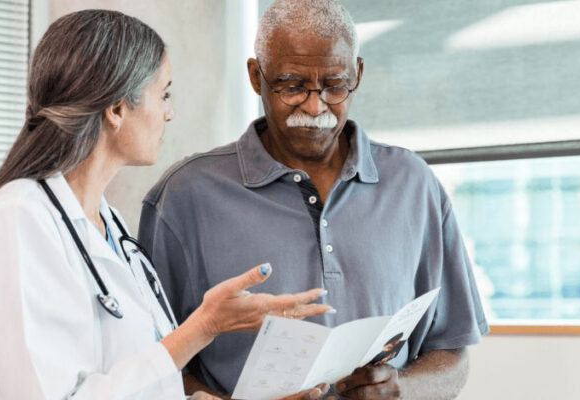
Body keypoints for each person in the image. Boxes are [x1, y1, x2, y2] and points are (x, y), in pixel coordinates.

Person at [0, 10, 335, 400]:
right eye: (164, 94)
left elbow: (133, 384)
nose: (170, 113)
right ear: (117, 109)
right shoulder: (18, 219)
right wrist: (205, 326)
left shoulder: (109, 225)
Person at [139, 1, 489, 398]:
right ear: (257, 76)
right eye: (291, 85)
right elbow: (150, 366)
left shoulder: (415, 185)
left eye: (335, 85)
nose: (314, 105)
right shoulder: (185, 197)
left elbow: (452, 352)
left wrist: (403, 390)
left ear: (357, 73)